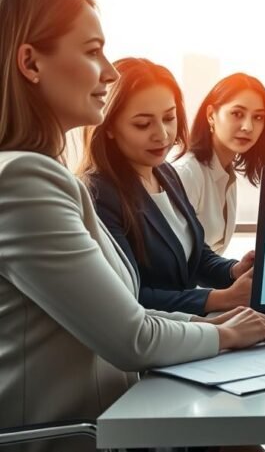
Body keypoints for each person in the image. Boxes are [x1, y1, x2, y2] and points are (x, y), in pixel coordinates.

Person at [0, 0, 265, 442]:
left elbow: (125, 312)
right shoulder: (24, 182)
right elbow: (133, 338)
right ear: (30, 62)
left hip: (116, 417)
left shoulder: (48, 177)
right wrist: (225, 332)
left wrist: (209, 320)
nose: (109, 73)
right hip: (70, 436)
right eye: (93, 51)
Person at [80, 58, 254, 316]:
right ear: (109, 127)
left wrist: (233, 270)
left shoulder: (165, 173)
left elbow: (194, 256)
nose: (161, 134)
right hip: (153, 340)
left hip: (188, 329)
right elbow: (129, 295)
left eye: (169, 118)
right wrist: (218, 300)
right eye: (143, 124)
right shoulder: (97, 193)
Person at [174, 73, 265, 254]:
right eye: (237, 114)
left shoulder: (227, 175)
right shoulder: (188, 174)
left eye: (258, 117)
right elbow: (172, 263)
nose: (248, 127)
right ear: (211, 115)